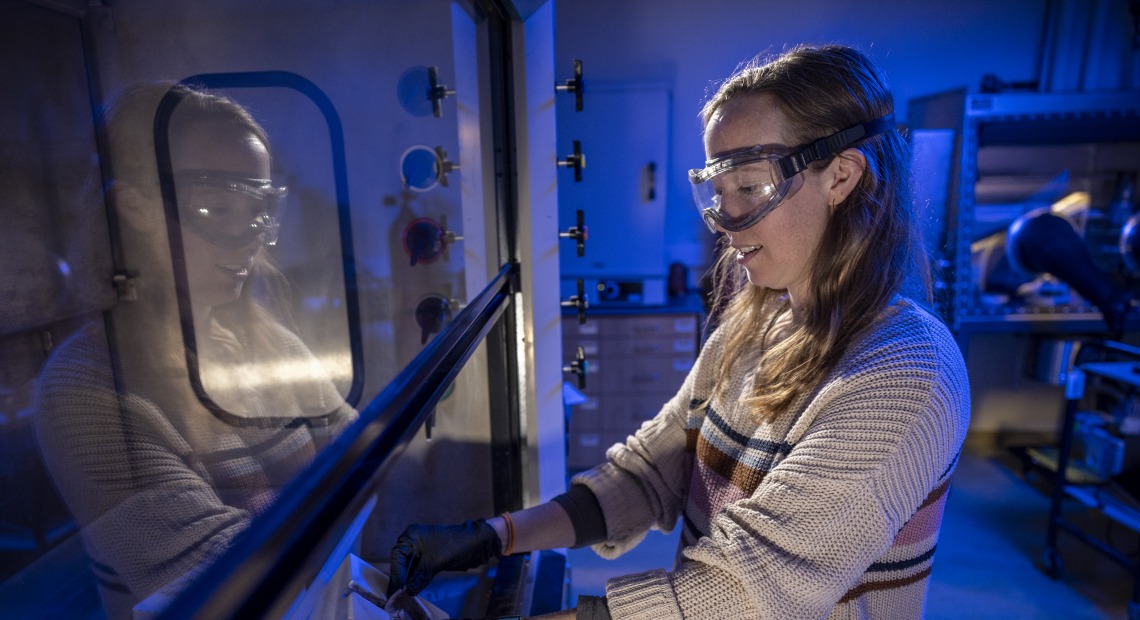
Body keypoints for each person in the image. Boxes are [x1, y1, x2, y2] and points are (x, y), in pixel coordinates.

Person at [386, 43, 970, 619]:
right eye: (718, 193)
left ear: (841, 176)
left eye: (750, 188)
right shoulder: (754, 326)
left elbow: (745, 595)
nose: (726, 222)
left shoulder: (907, 376)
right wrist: (493, 536)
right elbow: (649, 472)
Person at [33, 83, 356, 618]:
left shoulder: (264, 340)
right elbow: (229, 576)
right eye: (218, 208)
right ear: (134, 208)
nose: (248, 239)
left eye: (257, 212)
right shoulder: (84, 392)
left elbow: (363, 456)